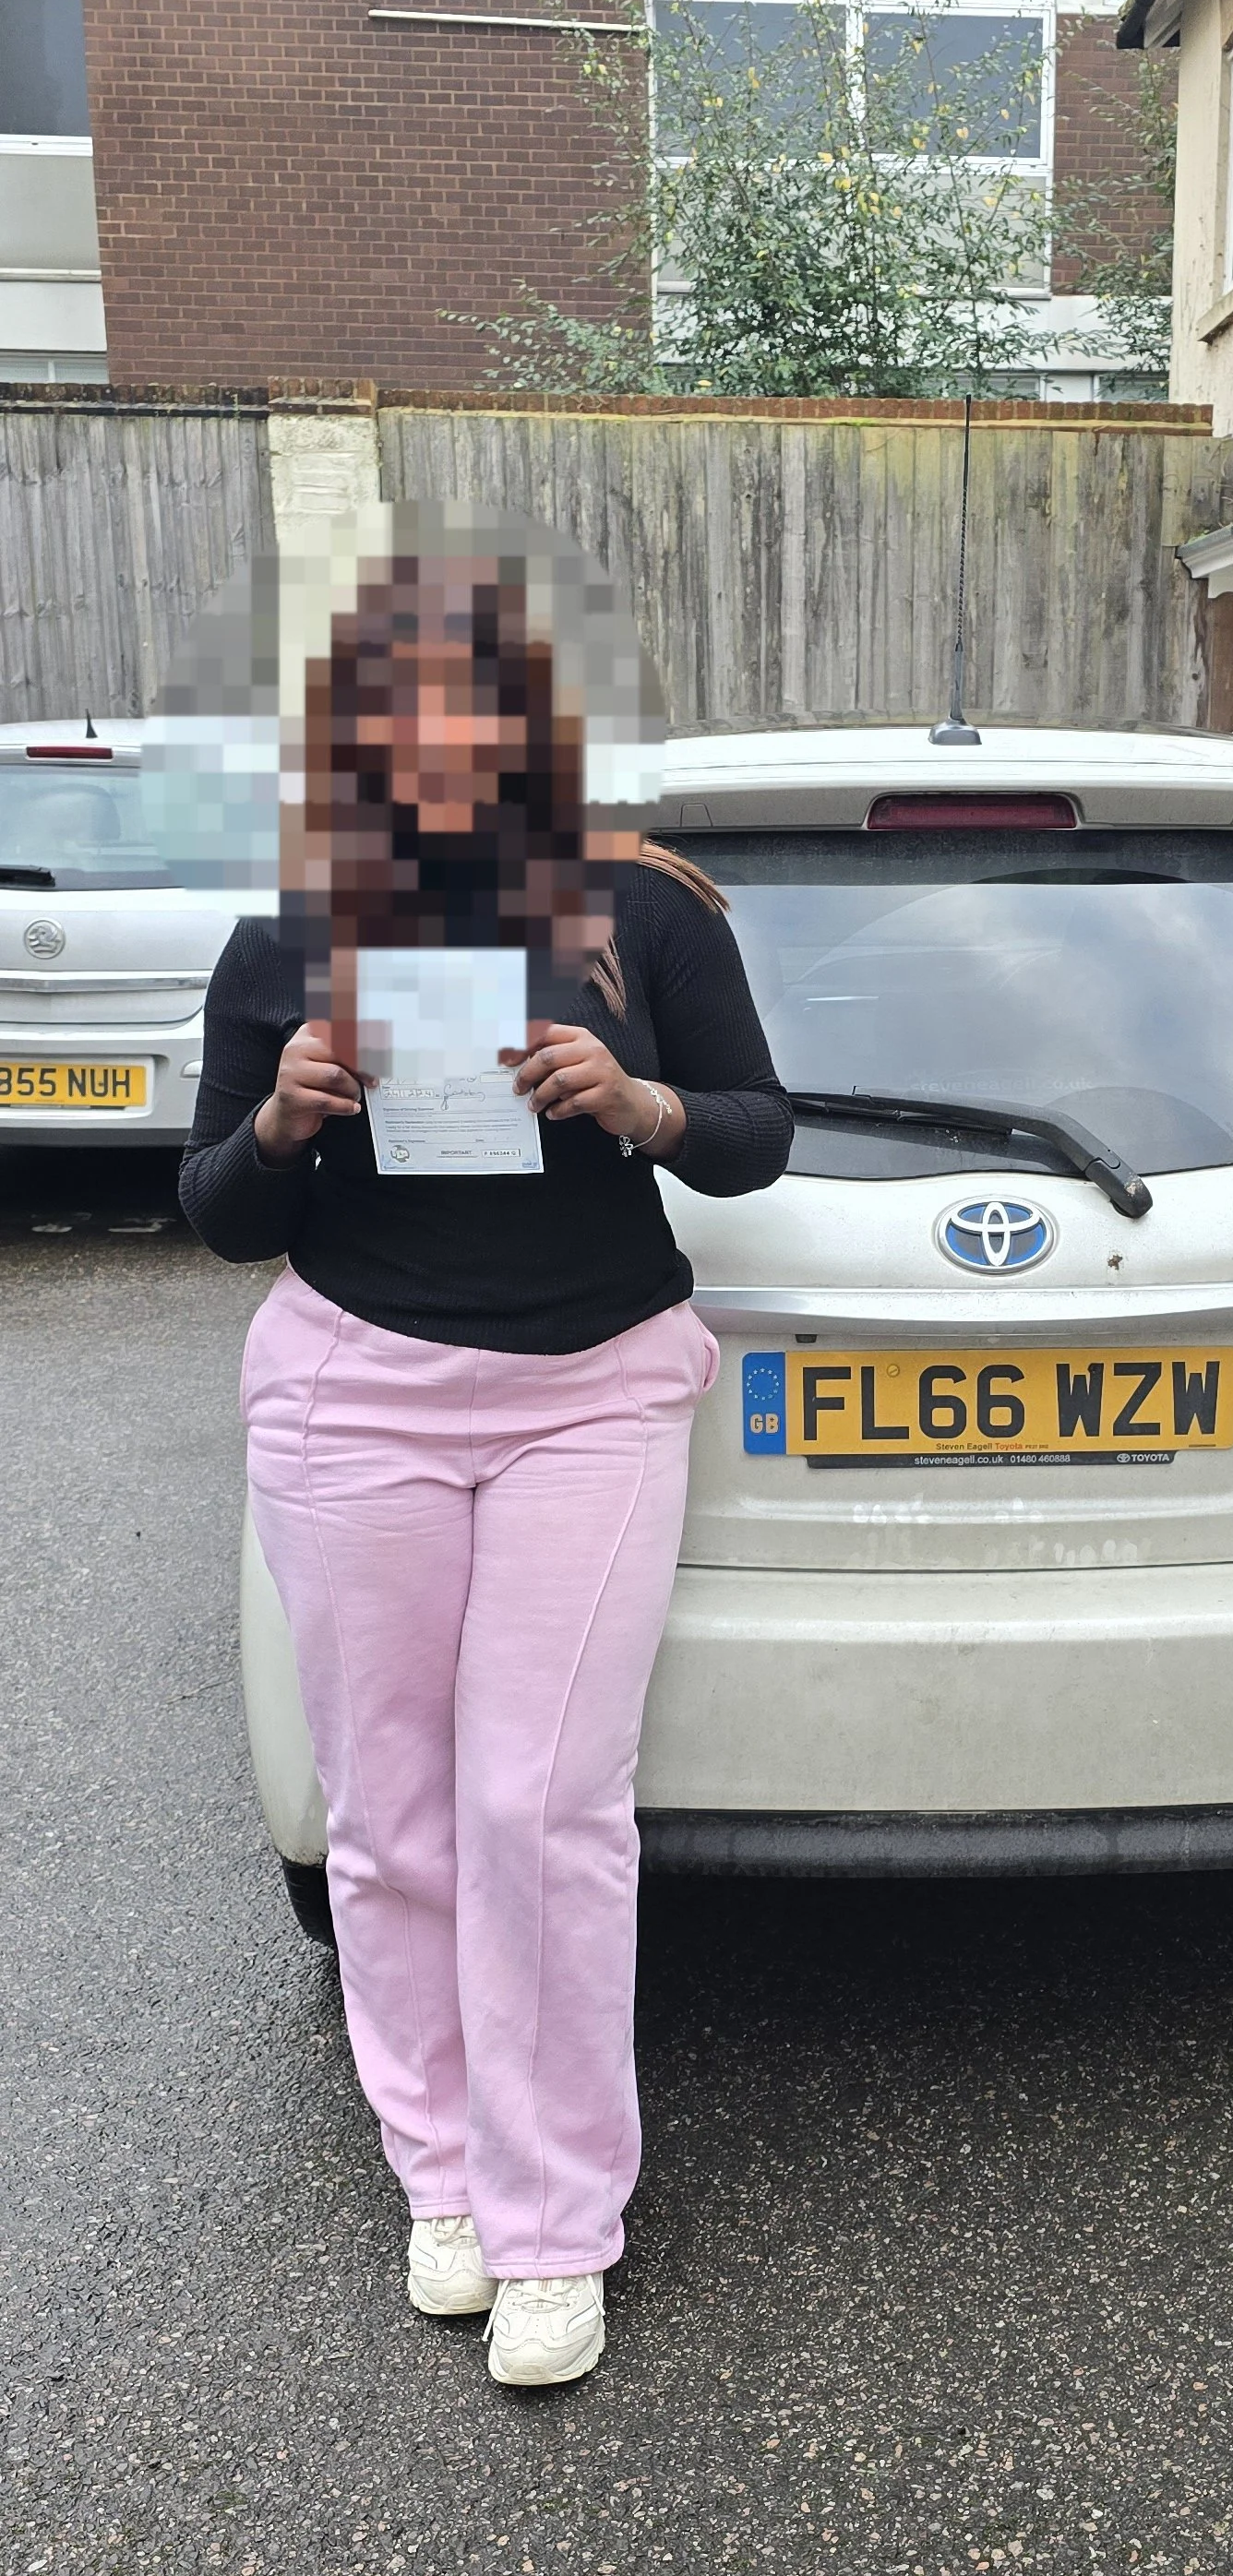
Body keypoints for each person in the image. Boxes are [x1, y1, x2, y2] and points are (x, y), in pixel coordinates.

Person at [179, 539, 792, 2389]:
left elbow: (761, 1136)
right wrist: (281, 1117)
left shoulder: (646, 912)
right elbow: (209, 1210)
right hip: (352, 1394)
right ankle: (440, 2171)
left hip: (588, 1393)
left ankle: (553, 2223)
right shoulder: (291, 936)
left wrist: (644, 1104)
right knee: (389, 1816)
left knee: (546, 1807)